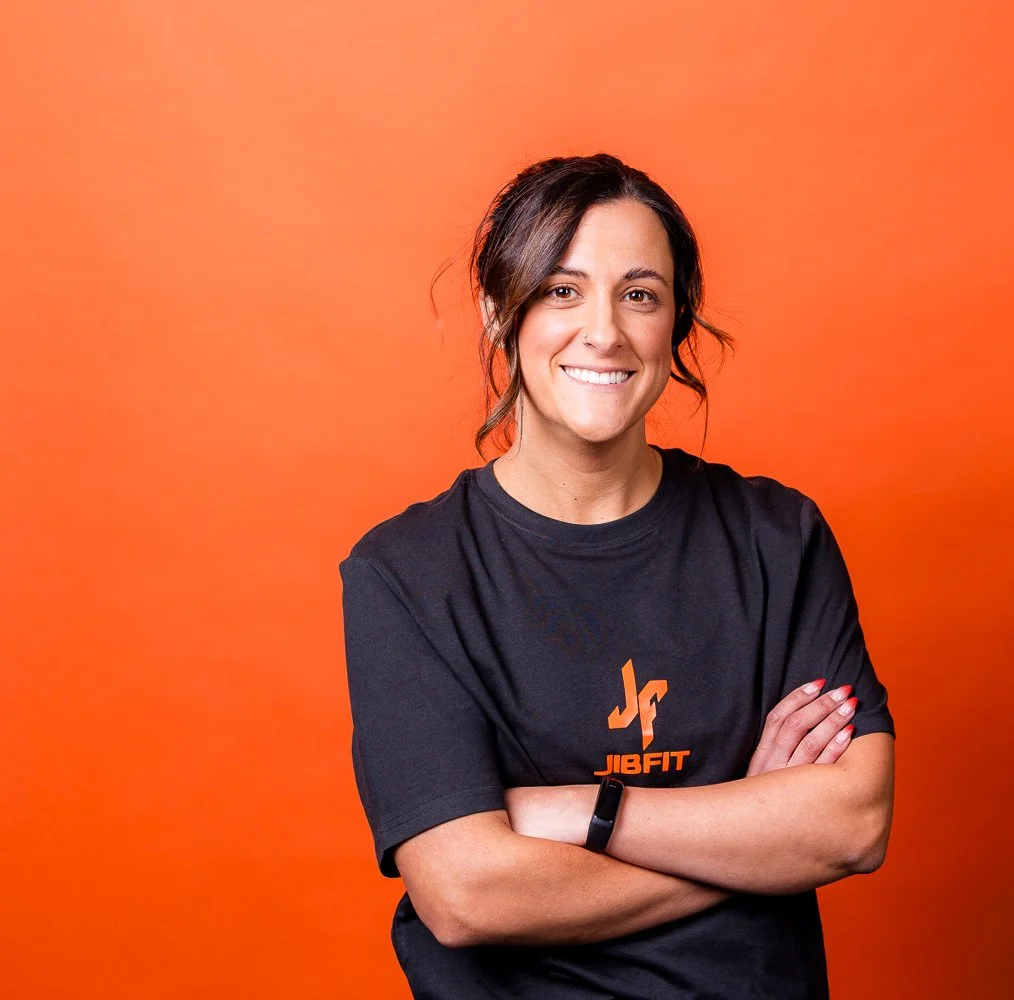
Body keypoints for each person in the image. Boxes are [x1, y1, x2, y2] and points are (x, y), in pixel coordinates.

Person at [338, 152, 896, 999]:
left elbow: (853, 824)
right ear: (499, 310)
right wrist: (752, 830)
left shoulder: (776, 539)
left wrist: (582, 811)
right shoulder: (406, 575)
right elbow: (464, 893)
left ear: (675, 322)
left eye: (639, 293)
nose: (603, 330)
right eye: (561, 290)